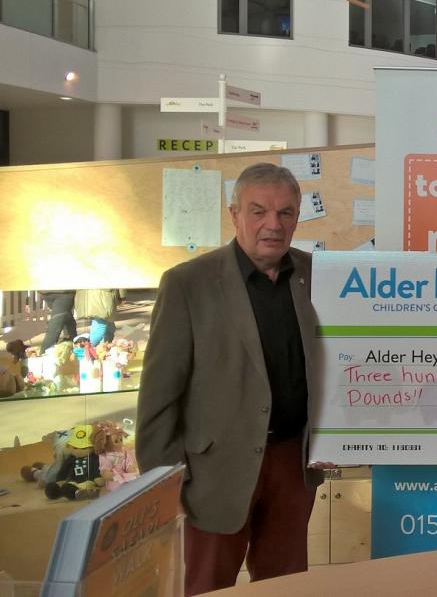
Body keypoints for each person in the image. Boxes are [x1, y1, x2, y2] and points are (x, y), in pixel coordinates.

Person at [137, 163, 326, 595]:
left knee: (286, 583)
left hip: (292, 465)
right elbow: (159, 398)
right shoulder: (188, 284)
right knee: (207, 585)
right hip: (213, 471)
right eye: (258, 212)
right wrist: (164, 483)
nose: (273, 225)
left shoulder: (316, 276)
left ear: (298, 217)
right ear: (234, 214)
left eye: (285, 213)